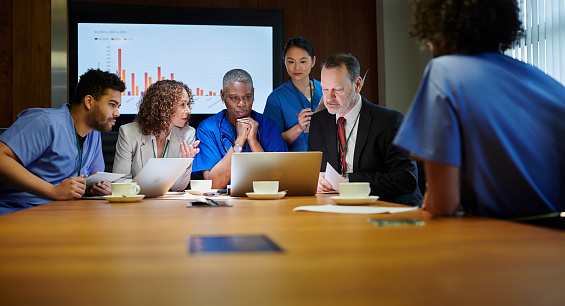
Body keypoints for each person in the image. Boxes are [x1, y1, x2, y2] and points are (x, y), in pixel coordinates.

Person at [393, 0, 565, 219]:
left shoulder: (444, 72)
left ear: (438, 31)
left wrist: (431, 198)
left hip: (493, 238)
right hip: (556, 241)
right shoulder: (548, 85)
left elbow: (443, 204)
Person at [0, 68, 126, 215]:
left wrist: (95, 189)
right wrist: (54, 191)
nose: (117, 113)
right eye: (112, 104)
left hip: (63, 213)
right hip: (21, 211)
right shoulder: (46, 122)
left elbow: (92, 179)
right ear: (89, 101)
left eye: (118, 107)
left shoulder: (94, 134)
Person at [308, 53, 422, 206]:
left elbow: (406, 179)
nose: (329, 98)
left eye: (338, 89)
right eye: (325, 89)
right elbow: (314, 171)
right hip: (335, 208)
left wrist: (348, 181)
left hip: (384, 207)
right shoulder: (318, 122)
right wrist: (317, 180)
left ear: (358, 84)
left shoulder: (389, 121)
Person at [193, 69, 288, 189]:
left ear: (253, 94)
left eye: (247, 97)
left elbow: (277, 179)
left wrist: (253, 141)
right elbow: (214, 184)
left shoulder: (270, 127)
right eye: (234, 98)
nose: (241, 103)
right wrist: (240, 140)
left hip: (262, 199)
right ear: (222, 96)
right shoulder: (208, 129)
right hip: (224, 203)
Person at [113, 80, 200, 191]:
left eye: (187, 104)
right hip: (136, 202)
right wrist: (148, 188)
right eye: (182, 105)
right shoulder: (128, 133)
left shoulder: (188, 133)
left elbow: (178, 188)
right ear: (164, 107)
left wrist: (185, 163)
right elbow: (119, 181)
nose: (188, 110)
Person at [263, 37, 323, 151]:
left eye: (303, 61)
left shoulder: (326, 90)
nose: (297, 67)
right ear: (284, 62)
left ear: (313, 61)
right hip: (293, 164)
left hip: (328, 163)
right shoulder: (276, 99)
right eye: (291, 62)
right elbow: (271, 142)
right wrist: (299, 128)